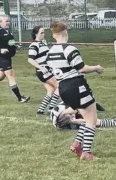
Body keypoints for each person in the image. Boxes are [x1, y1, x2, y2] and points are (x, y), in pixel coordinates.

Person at [46, 22, 104, 160]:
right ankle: (86, 153)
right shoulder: (69, 49)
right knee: (91, 120)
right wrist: (96, 68)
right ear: (66, 33)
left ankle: (77, 144)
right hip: (76, 85)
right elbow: (81, 68)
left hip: (63, 88)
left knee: (85, 117)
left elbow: (52, 71)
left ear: (54, 35)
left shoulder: (50, 52)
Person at [0, 14, 30, 102]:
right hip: (1, 58)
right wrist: (0, 49)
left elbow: (9, 43)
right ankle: (20, 98)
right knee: (11, 75)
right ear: (0, 22)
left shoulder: (8, 31)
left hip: (7, 58)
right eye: (6, 21)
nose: (8, 23)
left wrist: (15, 46)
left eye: (8, 21)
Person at [28, 26, 60, 115]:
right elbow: (30, 59)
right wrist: (41, 67)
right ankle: (51, 108)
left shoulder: (43, 43)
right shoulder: (34, 45)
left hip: (46, 71)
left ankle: (40, 110)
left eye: (44, 32)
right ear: (36, 34)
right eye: (41, 33)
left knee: (50, 90)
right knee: (60, 86)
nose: (43, 34)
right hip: (43, 72)